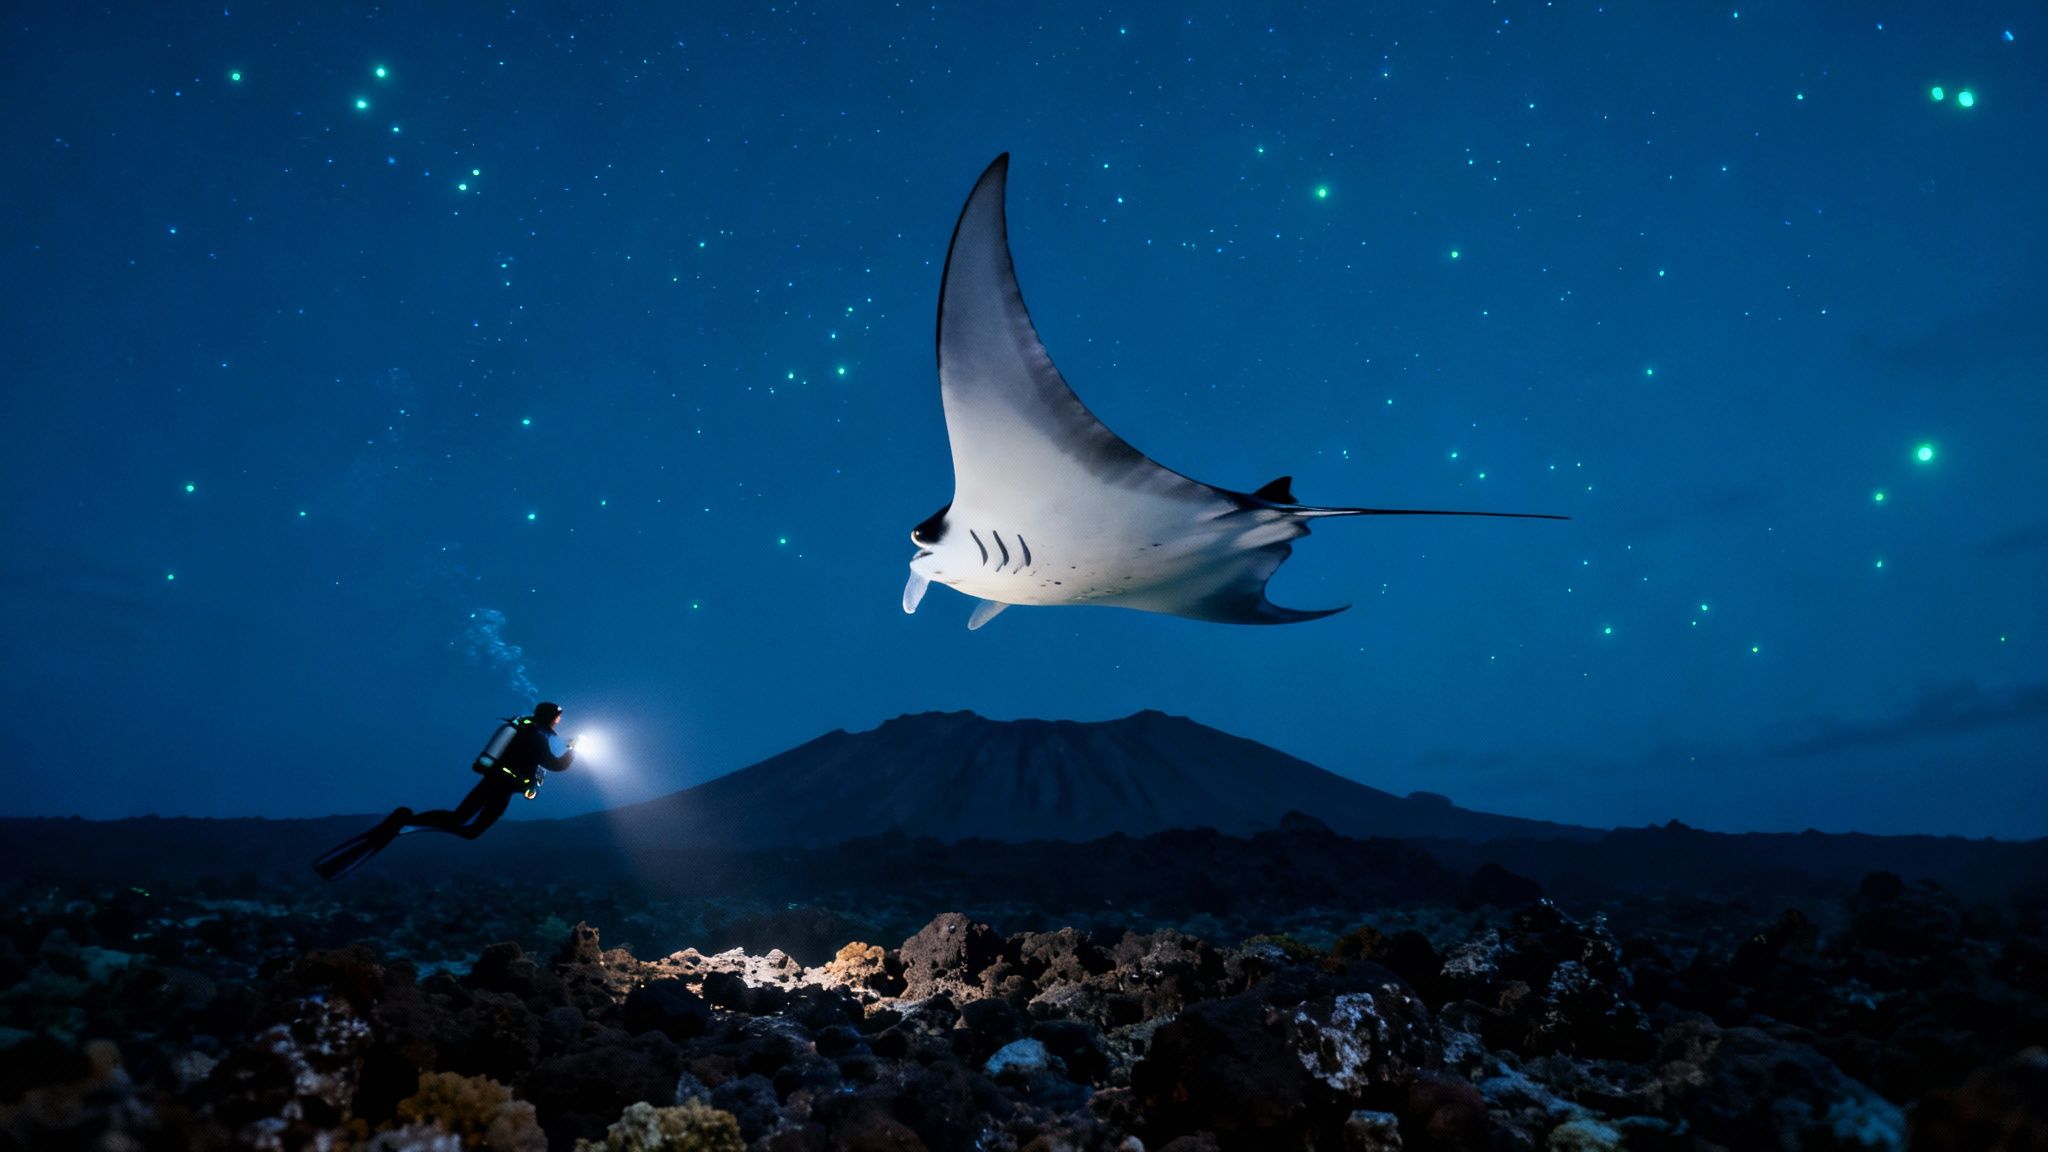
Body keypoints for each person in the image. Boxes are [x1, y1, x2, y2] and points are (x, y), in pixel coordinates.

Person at [313, 702, 577, 880]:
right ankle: (405, 822)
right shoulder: (537, 737)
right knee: (468, 828)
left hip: (494, 782)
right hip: (501, 786)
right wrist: (574, 750)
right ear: (552, 717)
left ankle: (406, 823)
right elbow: (556, 765)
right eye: (558, 717)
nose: (559, 721)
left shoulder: (526, 732)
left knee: (460, 820)